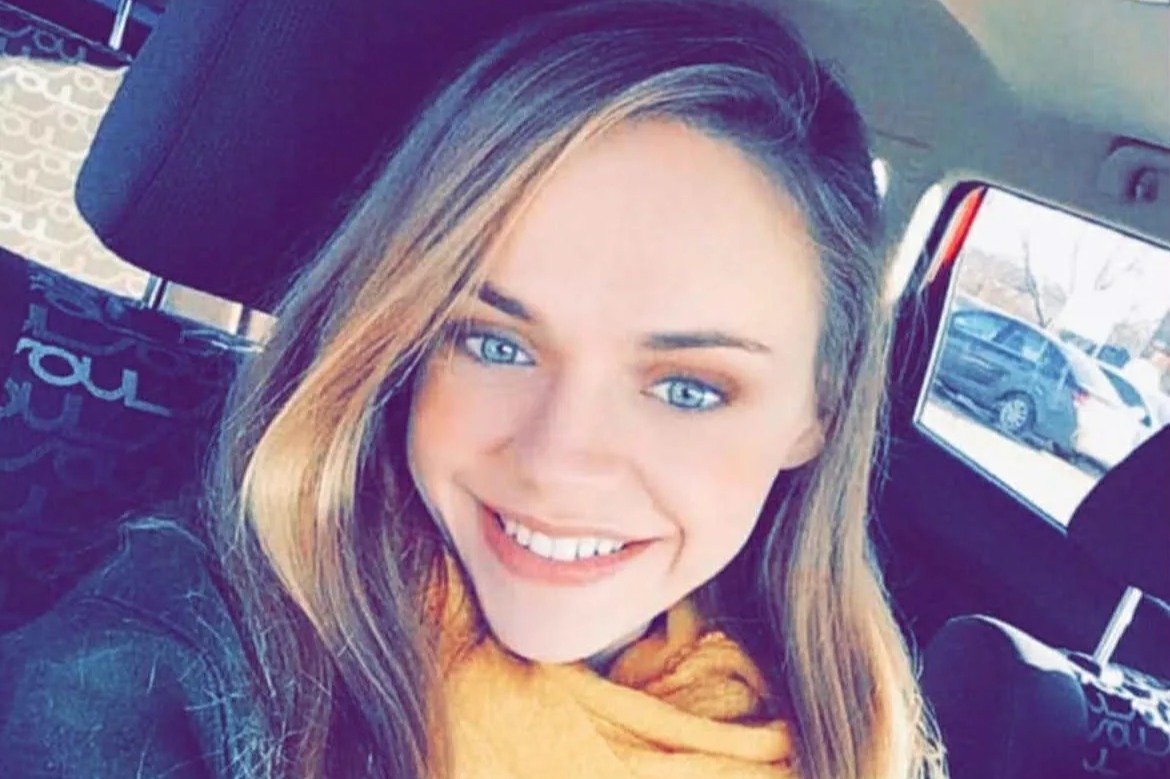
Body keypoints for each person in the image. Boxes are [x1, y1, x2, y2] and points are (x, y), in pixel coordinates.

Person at [0, 2, 948, 778]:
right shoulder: (181, 670)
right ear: (404, 340)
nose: (556, 462)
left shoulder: (855, 739)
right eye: (493, 342)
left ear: (817, 411)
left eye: (689, 388)